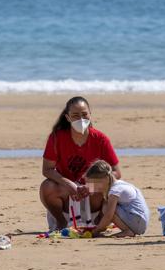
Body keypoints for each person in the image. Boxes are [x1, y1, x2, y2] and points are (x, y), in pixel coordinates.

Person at [40, 96, 121, 231]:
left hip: (94, 198)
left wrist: (91, 186)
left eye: (84, 115)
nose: (81, 119)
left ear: (90, 115)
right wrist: (69, 184)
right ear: (67, 117)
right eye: (75, 115)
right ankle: (61, 222)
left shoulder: (100, 139)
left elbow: (116, 172)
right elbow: (47, 169)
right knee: (47, 186)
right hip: (67, 194)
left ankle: (100, 219)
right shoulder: (57, 137)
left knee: (115, 186)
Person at [85, 160, 149, 237]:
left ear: (105, 179)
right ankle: (125, 229)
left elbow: (109, 215)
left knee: (106, 208)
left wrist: (96, 231)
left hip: (138, 222)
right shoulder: (119, 184)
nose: (94, 189)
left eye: (95, 185)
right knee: (106, 204)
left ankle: (127, 231)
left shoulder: (115, 191)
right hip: (140, 220)